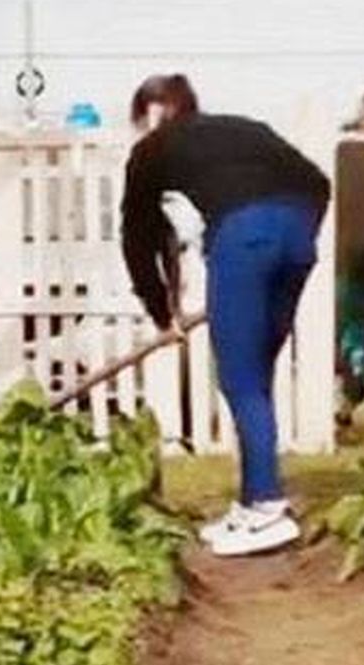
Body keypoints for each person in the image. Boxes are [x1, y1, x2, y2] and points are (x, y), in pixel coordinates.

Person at [121, 74, 330, 556]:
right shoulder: (245, 127)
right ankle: (252, 501)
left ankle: (266, 509)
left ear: (148, 116)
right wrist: (294, 235)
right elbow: (318, 182)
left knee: (240, 380)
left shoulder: (152, 150)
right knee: (254, 375)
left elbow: (137, 240)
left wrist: (160, 313)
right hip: (299, 239)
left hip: (243, 238)